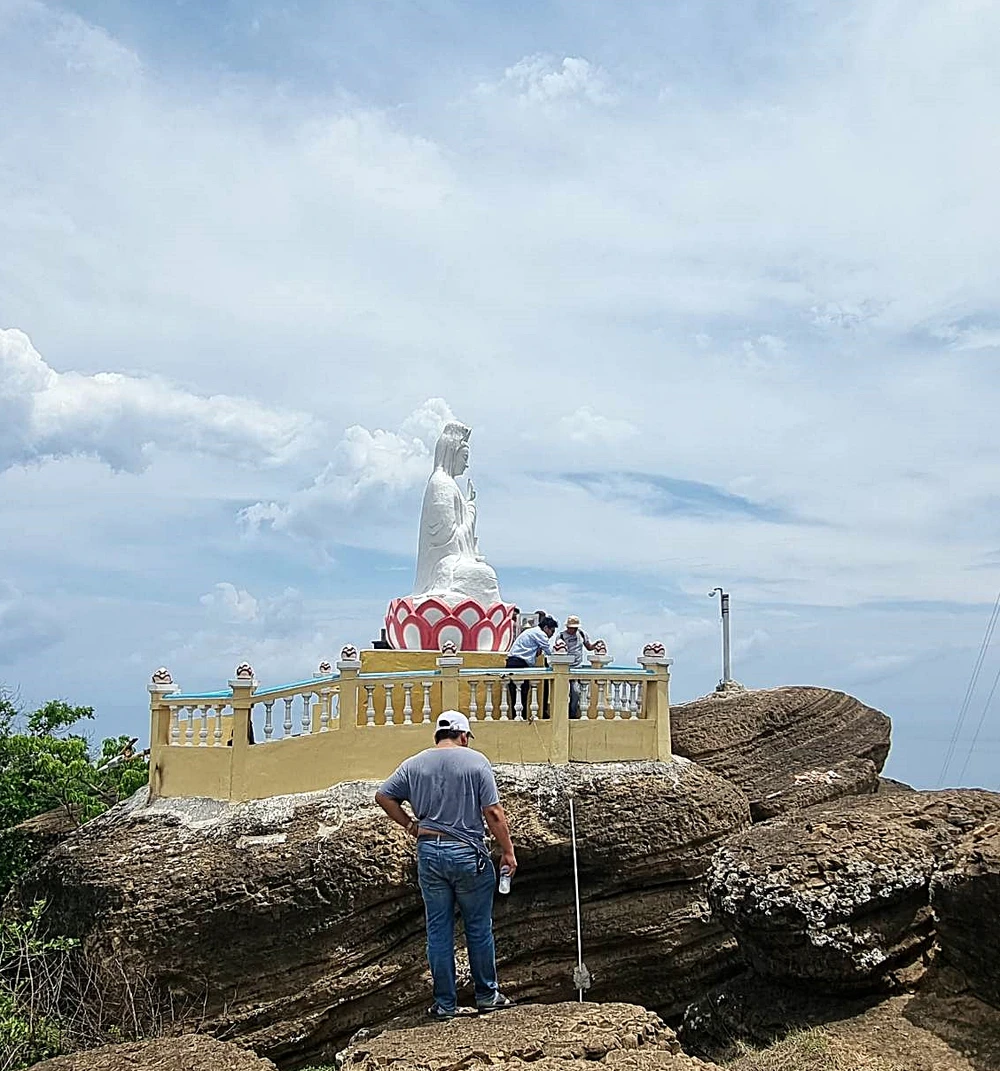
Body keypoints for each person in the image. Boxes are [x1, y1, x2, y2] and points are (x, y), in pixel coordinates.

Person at [375, 711, 517, 1020]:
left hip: (430, 851)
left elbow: (383, 796)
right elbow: (492, 813)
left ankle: (444, 1004)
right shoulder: (475, 761)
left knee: (438, 931)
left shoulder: (414, 764)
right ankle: (486, 994)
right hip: (467, 852)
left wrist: (411, 826)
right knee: (478, 927)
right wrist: (507, 851)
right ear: (463, 736)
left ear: (437, 736)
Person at [505, 614, 557, 717]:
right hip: (519, 663)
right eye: (552, 631)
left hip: (515, 662)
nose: (551, 635)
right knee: (521, 692)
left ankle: (518, 717)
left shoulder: (532, 632)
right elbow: (549, 651)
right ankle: (520, 717)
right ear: (546, 628)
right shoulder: (540, 634)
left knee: (517, 693)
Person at [557, 615, 596, 719]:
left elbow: (589, 647)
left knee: (575, 692)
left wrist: (596, 645)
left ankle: (572, 714)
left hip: (577, 668)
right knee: (562, 693)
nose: (574, 630)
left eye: (575, 628)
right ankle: (562, 714)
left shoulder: (582, 634)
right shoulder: (561, 636)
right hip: (564, 669)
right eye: (572, 628)